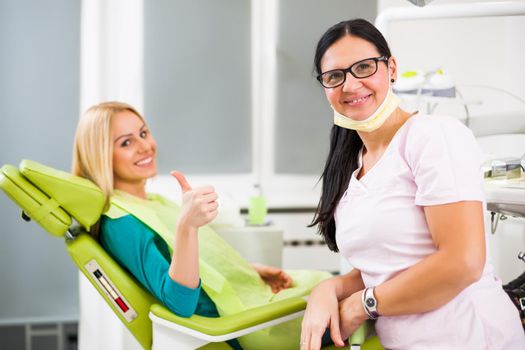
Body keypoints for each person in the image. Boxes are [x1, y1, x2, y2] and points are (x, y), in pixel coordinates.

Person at [300, 18, 525, 350]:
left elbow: (461, 263)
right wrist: (327, 290)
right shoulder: (353, 166)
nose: (350, 85)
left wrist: (364, 304)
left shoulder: (432, 136)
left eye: (363, 67)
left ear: (391, 68)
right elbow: (389, 266)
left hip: (471, 337)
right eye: (335, 76)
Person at [72, 101, 330, 350]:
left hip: (256, 298)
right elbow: (179, 302)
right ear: (101, 155)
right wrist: (187, 226)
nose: (145, 146)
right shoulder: (121, 223)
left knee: (339, 284)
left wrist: (249, 271)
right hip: (249, 326)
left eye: (143, 133)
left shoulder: (153, 202)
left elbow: (191, 263)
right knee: (351, 295)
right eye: (126, 142)